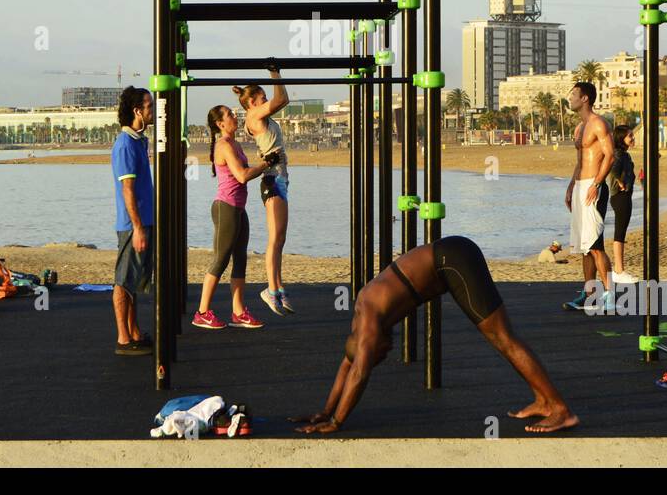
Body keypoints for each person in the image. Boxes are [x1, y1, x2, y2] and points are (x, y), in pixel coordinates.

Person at [291, 235, 578, 434]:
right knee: (501, 338)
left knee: (503, 337)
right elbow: (348, 365)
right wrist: (325, 412)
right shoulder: (362, 325)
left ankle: (560, 408)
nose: (387, 352)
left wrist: (337, 422)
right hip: (452, 258)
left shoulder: (367, 322)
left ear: (369, 343)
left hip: (454, 259)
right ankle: (543, 401)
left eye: (380, 353)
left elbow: (359, 373)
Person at [193, 104, 277, 330]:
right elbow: (241, 176)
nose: (234, 116)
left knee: (241, 259)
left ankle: (238, 312)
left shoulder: (235, 144)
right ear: (220, 124)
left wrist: (263, 163)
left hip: (239, 208)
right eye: (229, 115)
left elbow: (245, 170)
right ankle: (202, 312)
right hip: (226, 208)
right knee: (220, 260)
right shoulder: (223, 146)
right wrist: (265, 164)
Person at [233, 66, 292, 315]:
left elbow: (278, 101)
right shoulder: (254, 116)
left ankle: (278, 289)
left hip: (280, 179)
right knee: (274, 238)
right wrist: (275, 73)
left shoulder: (258, 115)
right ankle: (270, 289)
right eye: (262, 98)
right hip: (271, 179)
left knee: (280, 239)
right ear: (252, 103)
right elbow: (283, 99)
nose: (267, 100)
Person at [563, 82, 614, 312]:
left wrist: (596, 183)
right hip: (580, 186)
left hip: (594, 187)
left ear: (585, 99)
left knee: (595, 245)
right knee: (584, 246)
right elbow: (579, 161)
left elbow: (610, 156)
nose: (570, 98)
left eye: (573, 94)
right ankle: (589, 293)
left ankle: (610, 294)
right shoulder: (579, 128)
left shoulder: (598, 124)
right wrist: (571, 185)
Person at [112, 86, 155, 356]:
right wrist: (137, 227)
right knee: (123, 281)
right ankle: (123, 339)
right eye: (149, 106)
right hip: (132, 226)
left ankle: (135, 331)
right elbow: (127, 189)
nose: (153, 110)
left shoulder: (140, 140)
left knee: (135, 281)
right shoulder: (125, 144)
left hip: (145, 221)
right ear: (137, 111)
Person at [607, 124, 638, 285]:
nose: (633, 138)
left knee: (621, 233)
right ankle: (619, 270)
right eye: (630, 136)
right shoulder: (619, 154)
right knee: (620, 233)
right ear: (621, 139)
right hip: (620, 197)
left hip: (622, 196)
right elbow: (612, 169)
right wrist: (620, 182)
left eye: (632, 135)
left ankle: (619, 270)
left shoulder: (624, 155)